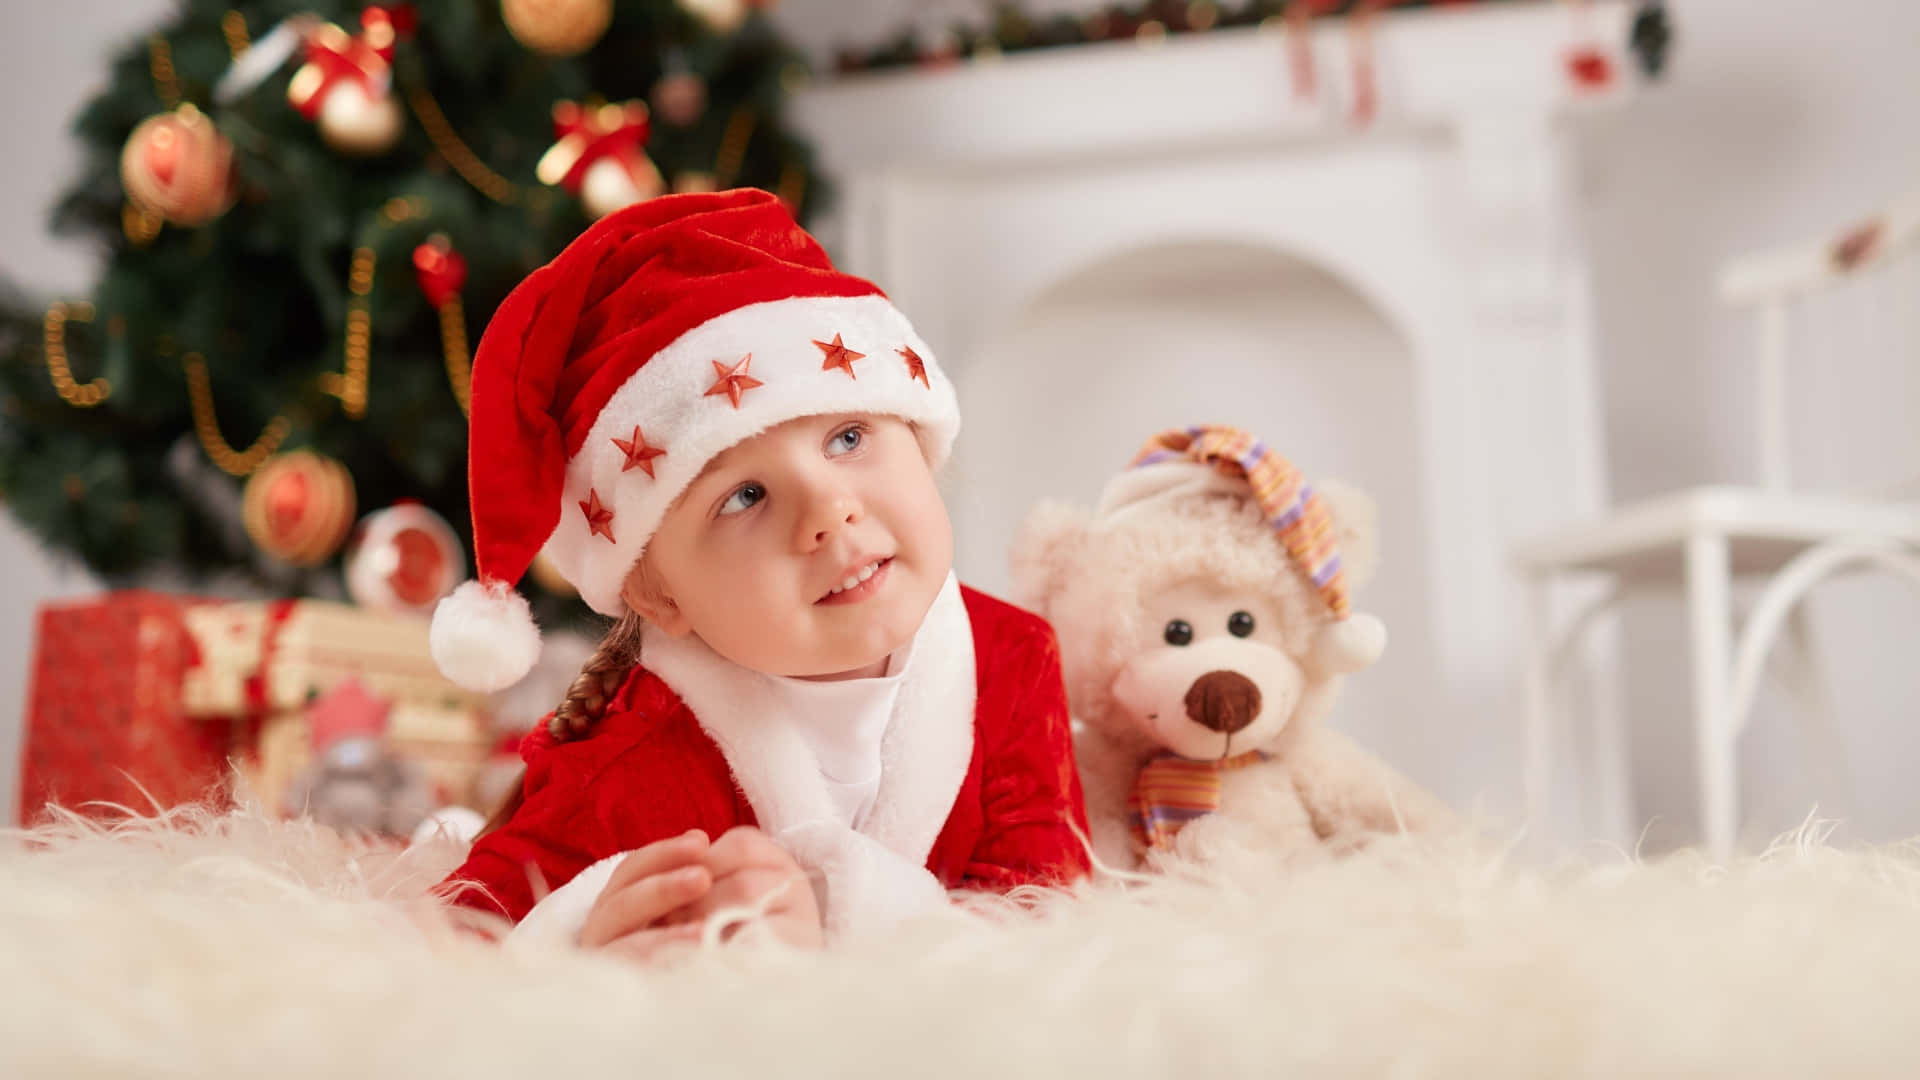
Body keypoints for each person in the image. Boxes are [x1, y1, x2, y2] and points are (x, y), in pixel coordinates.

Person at [426, 188, 1091, 960]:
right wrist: (582, 942)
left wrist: (832, 908)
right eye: (743, 497)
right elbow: (455, 941)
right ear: (655, 592)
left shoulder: (1013, 660)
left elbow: (1047, 918)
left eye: (848, 437)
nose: (828, 511)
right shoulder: (630, 759)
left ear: (919, 435)